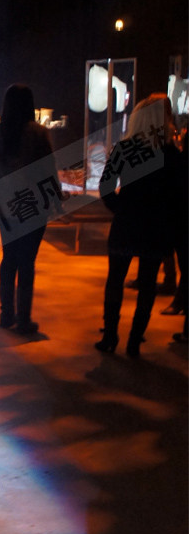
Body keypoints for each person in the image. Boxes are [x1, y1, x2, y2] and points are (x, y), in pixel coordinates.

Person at [0, 83, 63, 334]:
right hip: (32, 203)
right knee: (27, 261)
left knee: (9, 257)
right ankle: (23, 319)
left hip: (2, 203)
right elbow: (49, 170)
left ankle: (6, 314)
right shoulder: (38, 133)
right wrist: (56, 200)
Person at [96, 93, 182, 357]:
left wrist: (120, 208)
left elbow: (106, 186)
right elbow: (177, 195)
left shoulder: (125, 148)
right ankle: (134, 340)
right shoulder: (171, 154)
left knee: (115, 280)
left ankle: (110, 335)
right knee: (147, 285)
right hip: (155, 228)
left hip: (126, 224)